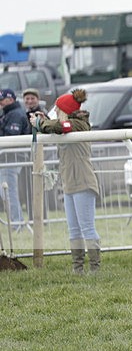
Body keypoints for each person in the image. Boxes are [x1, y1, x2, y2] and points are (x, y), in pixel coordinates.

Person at [29, 89, 101, 274]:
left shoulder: (79, 124)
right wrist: (44, 120)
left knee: (87, 227)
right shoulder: (68, 123)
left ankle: (95, 268)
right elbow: (57, 126)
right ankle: (78, 268)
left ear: (66, 110)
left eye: (58, 109)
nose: (56, 112)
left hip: (83, 181)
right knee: (74, 229)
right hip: (69, 183)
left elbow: (62, 127)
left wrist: (40, 123)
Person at [0, 89, 30, 231]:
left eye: (2, 99)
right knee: (6, 190)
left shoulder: (15, 114)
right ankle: (16, 222)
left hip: (11, 157)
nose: (0, 102)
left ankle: (17, 223)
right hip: (8, 157)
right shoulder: (9, 113)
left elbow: (11, 137)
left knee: (8, 191)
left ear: (11, 99)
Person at [20, 88, 48, 221]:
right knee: (28, 188)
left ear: (38, 99)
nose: (30, 101)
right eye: (27, 98)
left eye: (32, 98)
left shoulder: (42, 115)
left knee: (40, 188)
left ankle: (42, 218)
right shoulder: (23, 115)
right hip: (28, 157)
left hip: (40, 156)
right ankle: (32, 218)